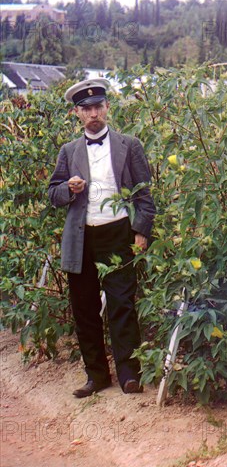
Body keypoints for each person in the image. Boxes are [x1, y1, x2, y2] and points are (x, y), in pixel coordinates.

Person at [48, 78, 156, 398]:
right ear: (77, 114)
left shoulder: (129, 145)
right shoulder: (69, 151)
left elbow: (144, 194)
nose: (93, 113)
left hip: (118, 233)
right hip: (81, 238)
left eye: (98, 107)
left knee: (122, 304)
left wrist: (141, 231)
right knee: (84, 307)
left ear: (107, 108)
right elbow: (53, 194)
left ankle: (129, 375)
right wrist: (69, 188)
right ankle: (96, 376)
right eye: (86, 109)